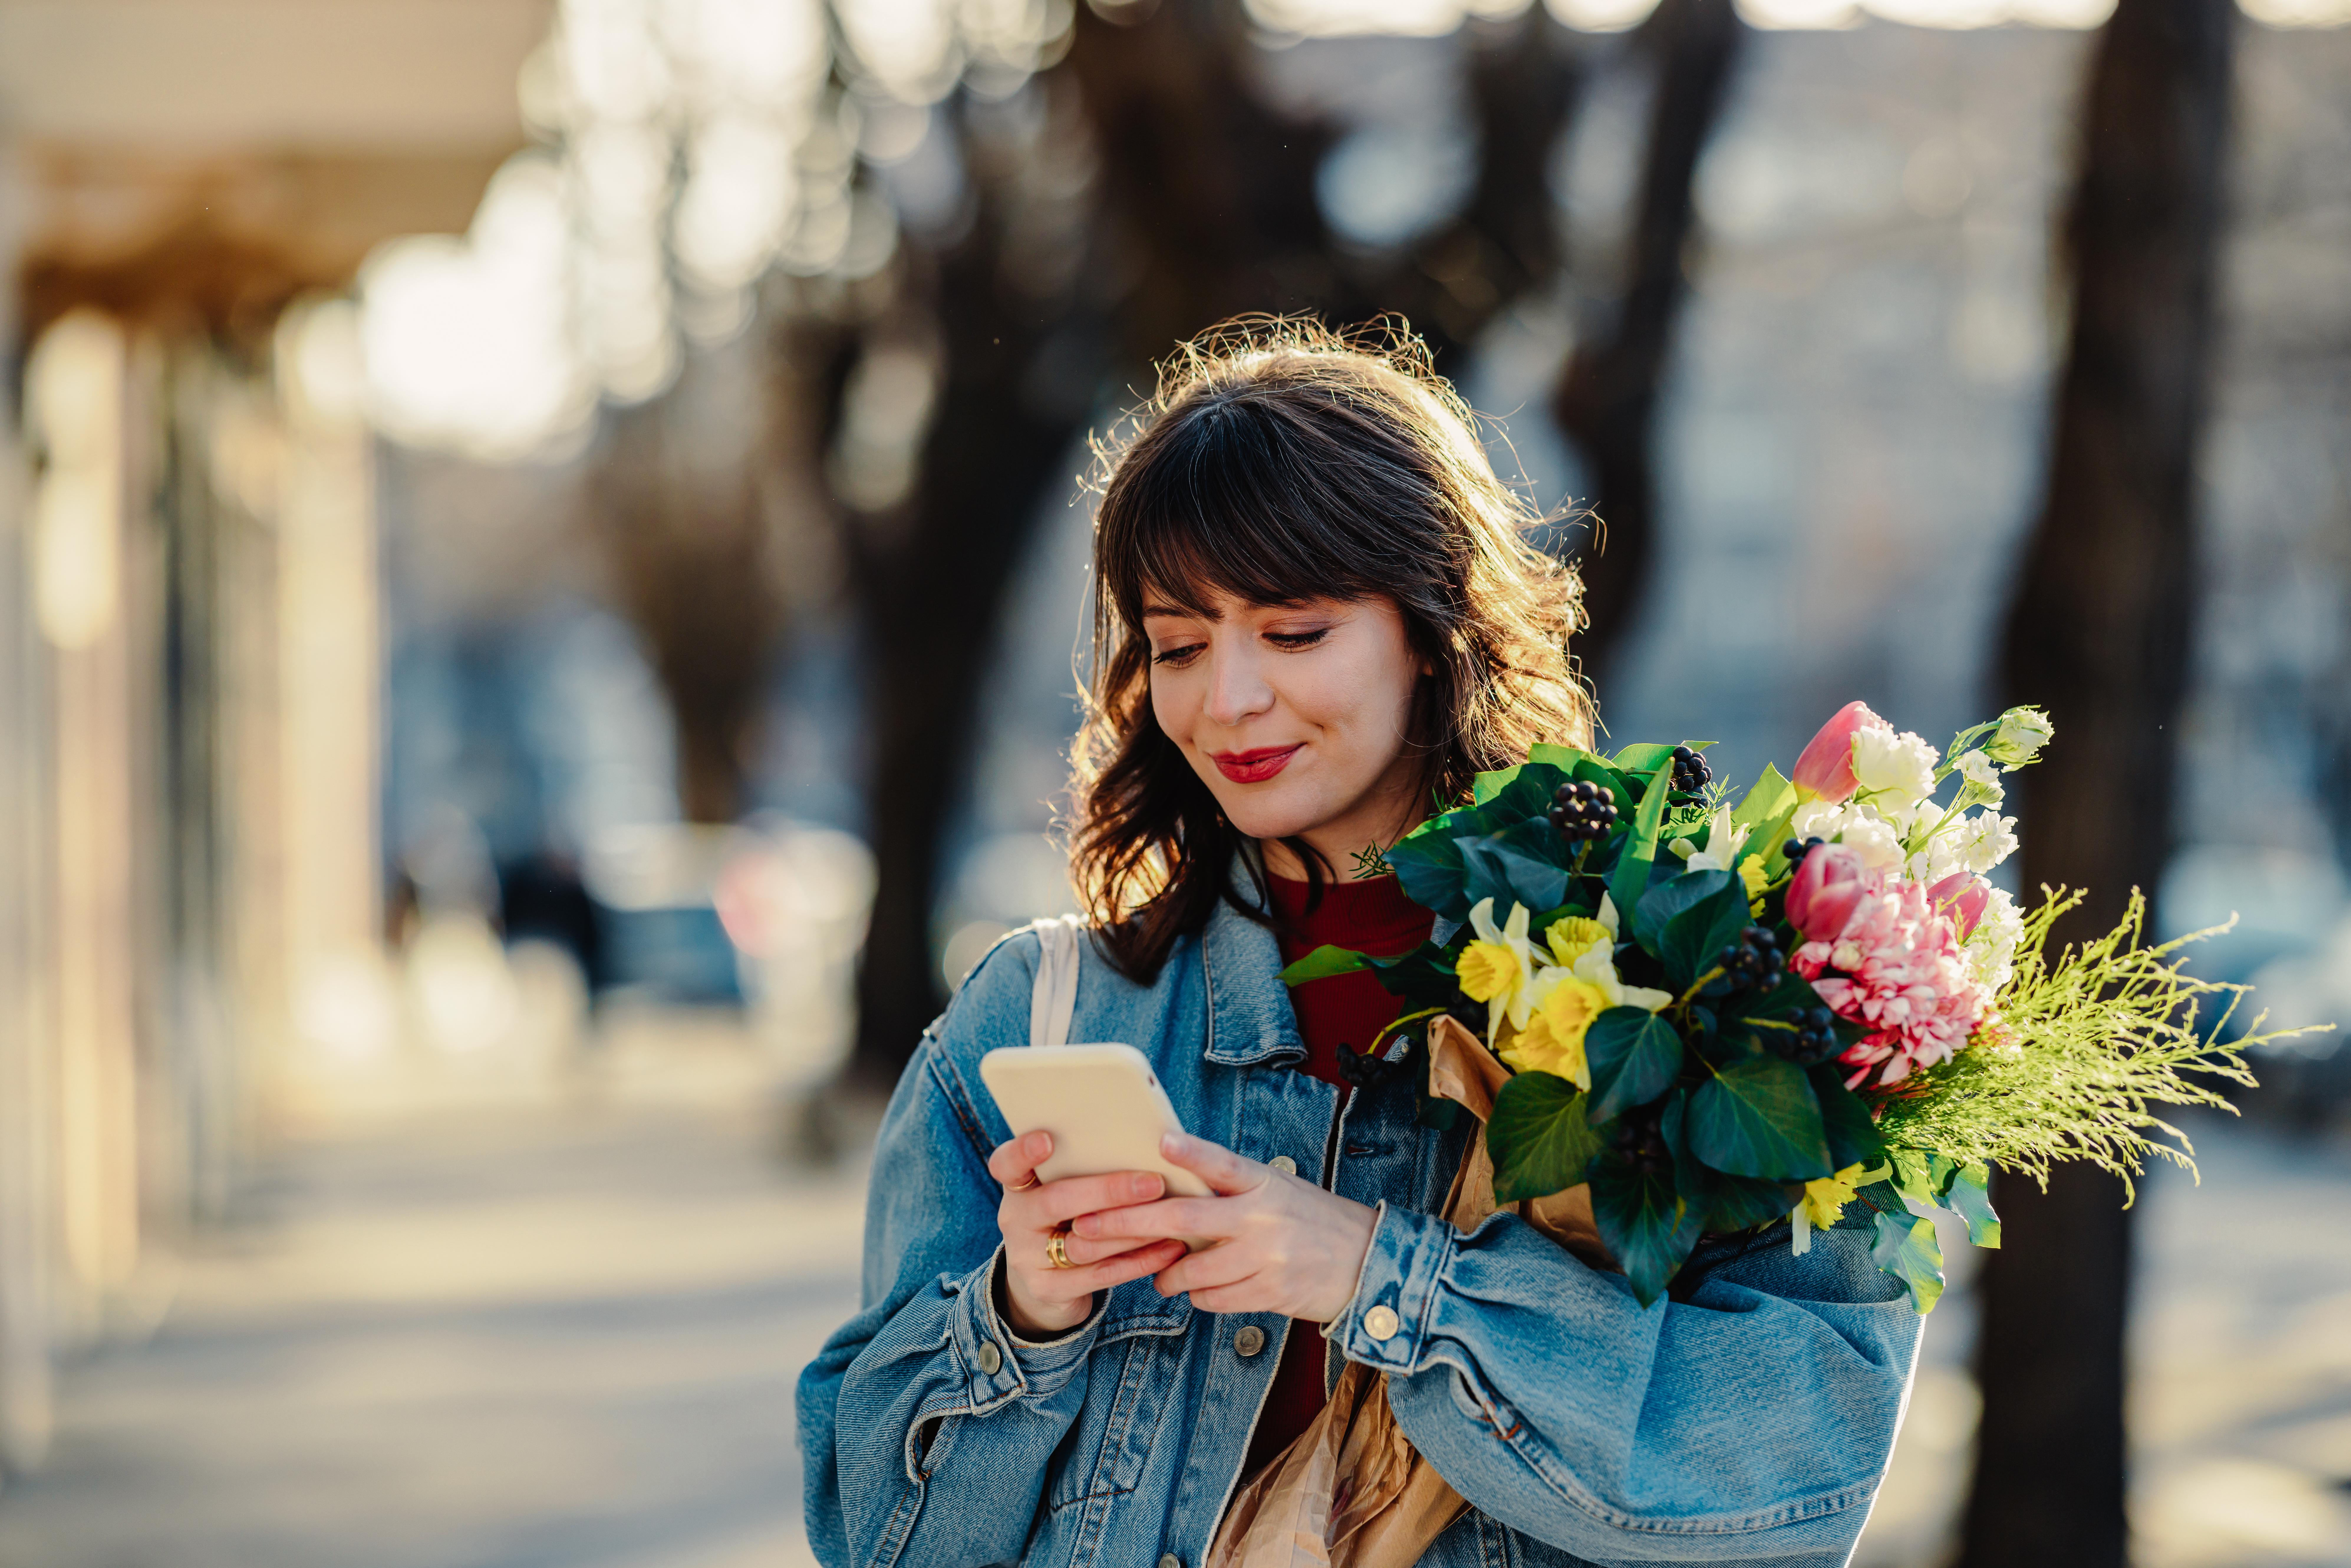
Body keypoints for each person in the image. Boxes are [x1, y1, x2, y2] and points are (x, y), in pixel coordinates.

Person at [797, 320, 1920, 1568]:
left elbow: (1800, 1473)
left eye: (1293, 632)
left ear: (1434, 629)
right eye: (1177, 644)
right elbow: (876, 1543)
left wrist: (1382, 1278)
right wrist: (1024, 1316)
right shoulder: (1037, 1018)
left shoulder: (1690, 987)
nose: (1226, 699)